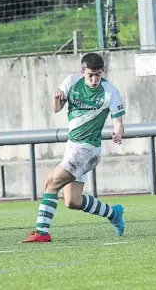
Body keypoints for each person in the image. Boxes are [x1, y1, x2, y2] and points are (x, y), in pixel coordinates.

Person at [22, 52, 125, 243]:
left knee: (51, 182)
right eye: (90, 75)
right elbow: (56, 108)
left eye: (98, 75)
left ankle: (41, 232)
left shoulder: (110, 92)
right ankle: (113, 213)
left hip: (88, 149)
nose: (94, 80)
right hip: (72, 147)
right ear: (82, 72)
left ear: (103, 72)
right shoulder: (71, 82)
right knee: (72, 201)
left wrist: (118, 131)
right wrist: (56, 98)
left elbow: (118, 121)